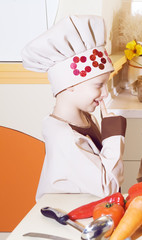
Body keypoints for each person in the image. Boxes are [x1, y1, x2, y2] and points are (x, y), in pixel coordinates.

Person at [22, 15, 126, 201]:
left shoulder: (87, 118)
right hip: (66, 219)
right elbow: (107, 186)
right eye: (98, 85)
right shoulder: (64, 136)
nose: (105, 93)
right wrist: (114, 135)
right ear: (71, 84)